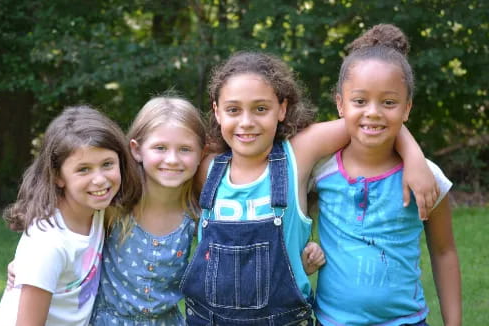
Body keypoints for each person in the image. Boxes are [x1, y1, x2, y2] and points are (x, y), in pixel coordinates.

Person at [180, 51, 438, 325]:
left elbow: (369, 119)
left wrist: (413, 157)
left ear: (281, 109)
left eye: (260, 108)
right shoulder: (206, 169)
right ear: (217, 111)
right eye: (233, 110)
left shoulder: (298, 154)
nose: (246, 122)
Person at [310, 24, 461, 325]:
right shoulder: (320, 170)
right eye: (360, 101)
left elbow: (444, 253)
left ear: (407, 109)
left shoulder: (427, 177)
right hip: (333, 321)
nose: (374, 112)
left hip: (406, 320)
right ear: (340, 104)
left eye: (389, 102)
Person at [0, 105, 142, 326]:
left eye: (107, 164)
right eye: (83, 169)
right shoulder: (48, 244)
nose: (99, 179)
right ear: (58, 176)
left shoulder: (98, 210)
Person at [89, 96, 206, 325]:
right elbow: (72, 241)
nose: (172, 159)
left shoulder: (195, 214)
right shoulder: (115, 207)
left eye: (185, 149)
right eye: (160, 148)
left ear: (201, 153)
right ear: (137, 150)